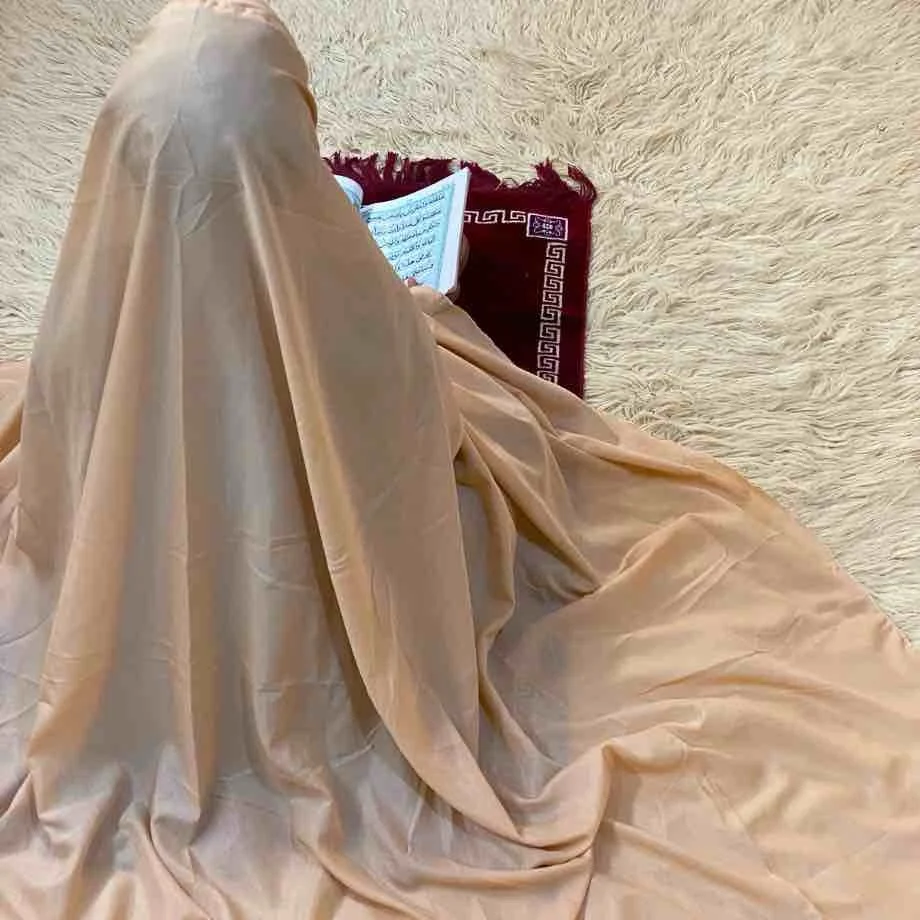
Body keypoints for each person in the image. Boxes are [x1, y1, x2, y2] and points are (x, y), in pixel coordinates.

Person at [1, 2, 919, 917]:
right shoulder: (356, 335)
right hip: (339, 673)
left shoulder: (80, 335)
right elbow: (410, 467)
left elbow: (62, 471)